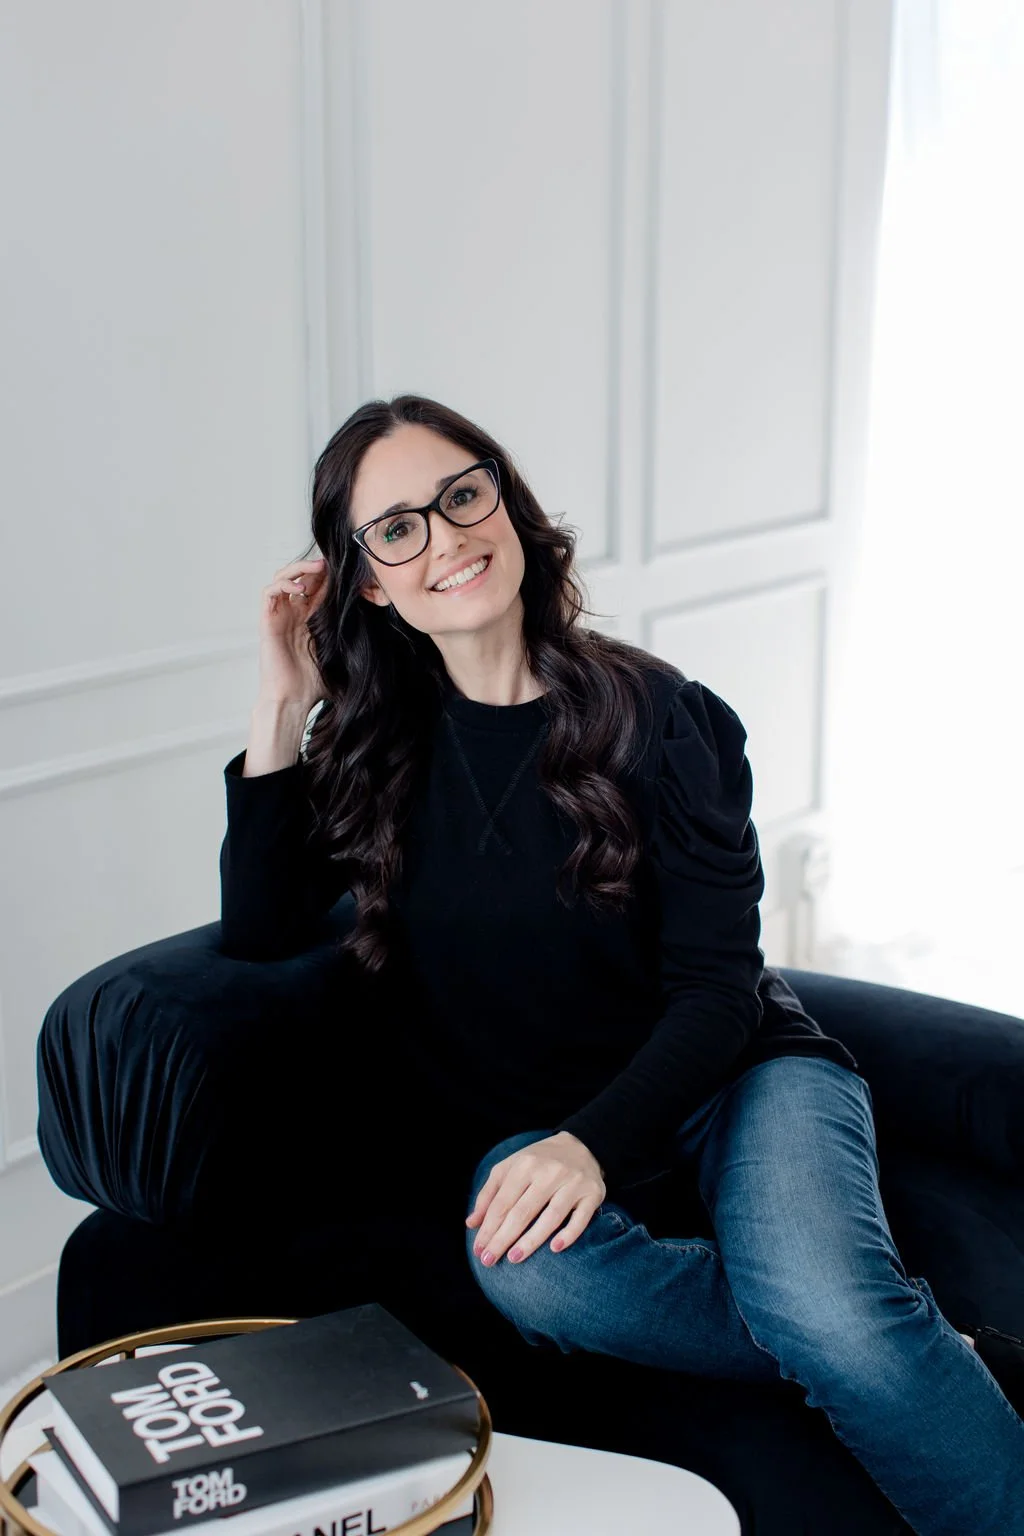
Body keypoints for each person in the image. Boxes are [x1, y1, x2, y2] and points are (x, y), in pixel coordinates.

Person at [220, 393, 1024, 1536]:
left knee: (834, 1316)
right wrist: (280, 695)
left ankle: (870, 1337)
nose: (445, 537)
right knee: (532, 1272)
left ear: (505, 500)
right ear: (366, 581)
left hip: (742, 1078)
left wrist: (593, 1143)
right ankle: (910, 1345)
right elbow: (256, 927)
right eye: (397, 528)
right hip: (538, 1131)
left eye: (462, 494)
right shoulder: (369, 744)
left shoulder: (663, 718)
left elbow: (718, 990)